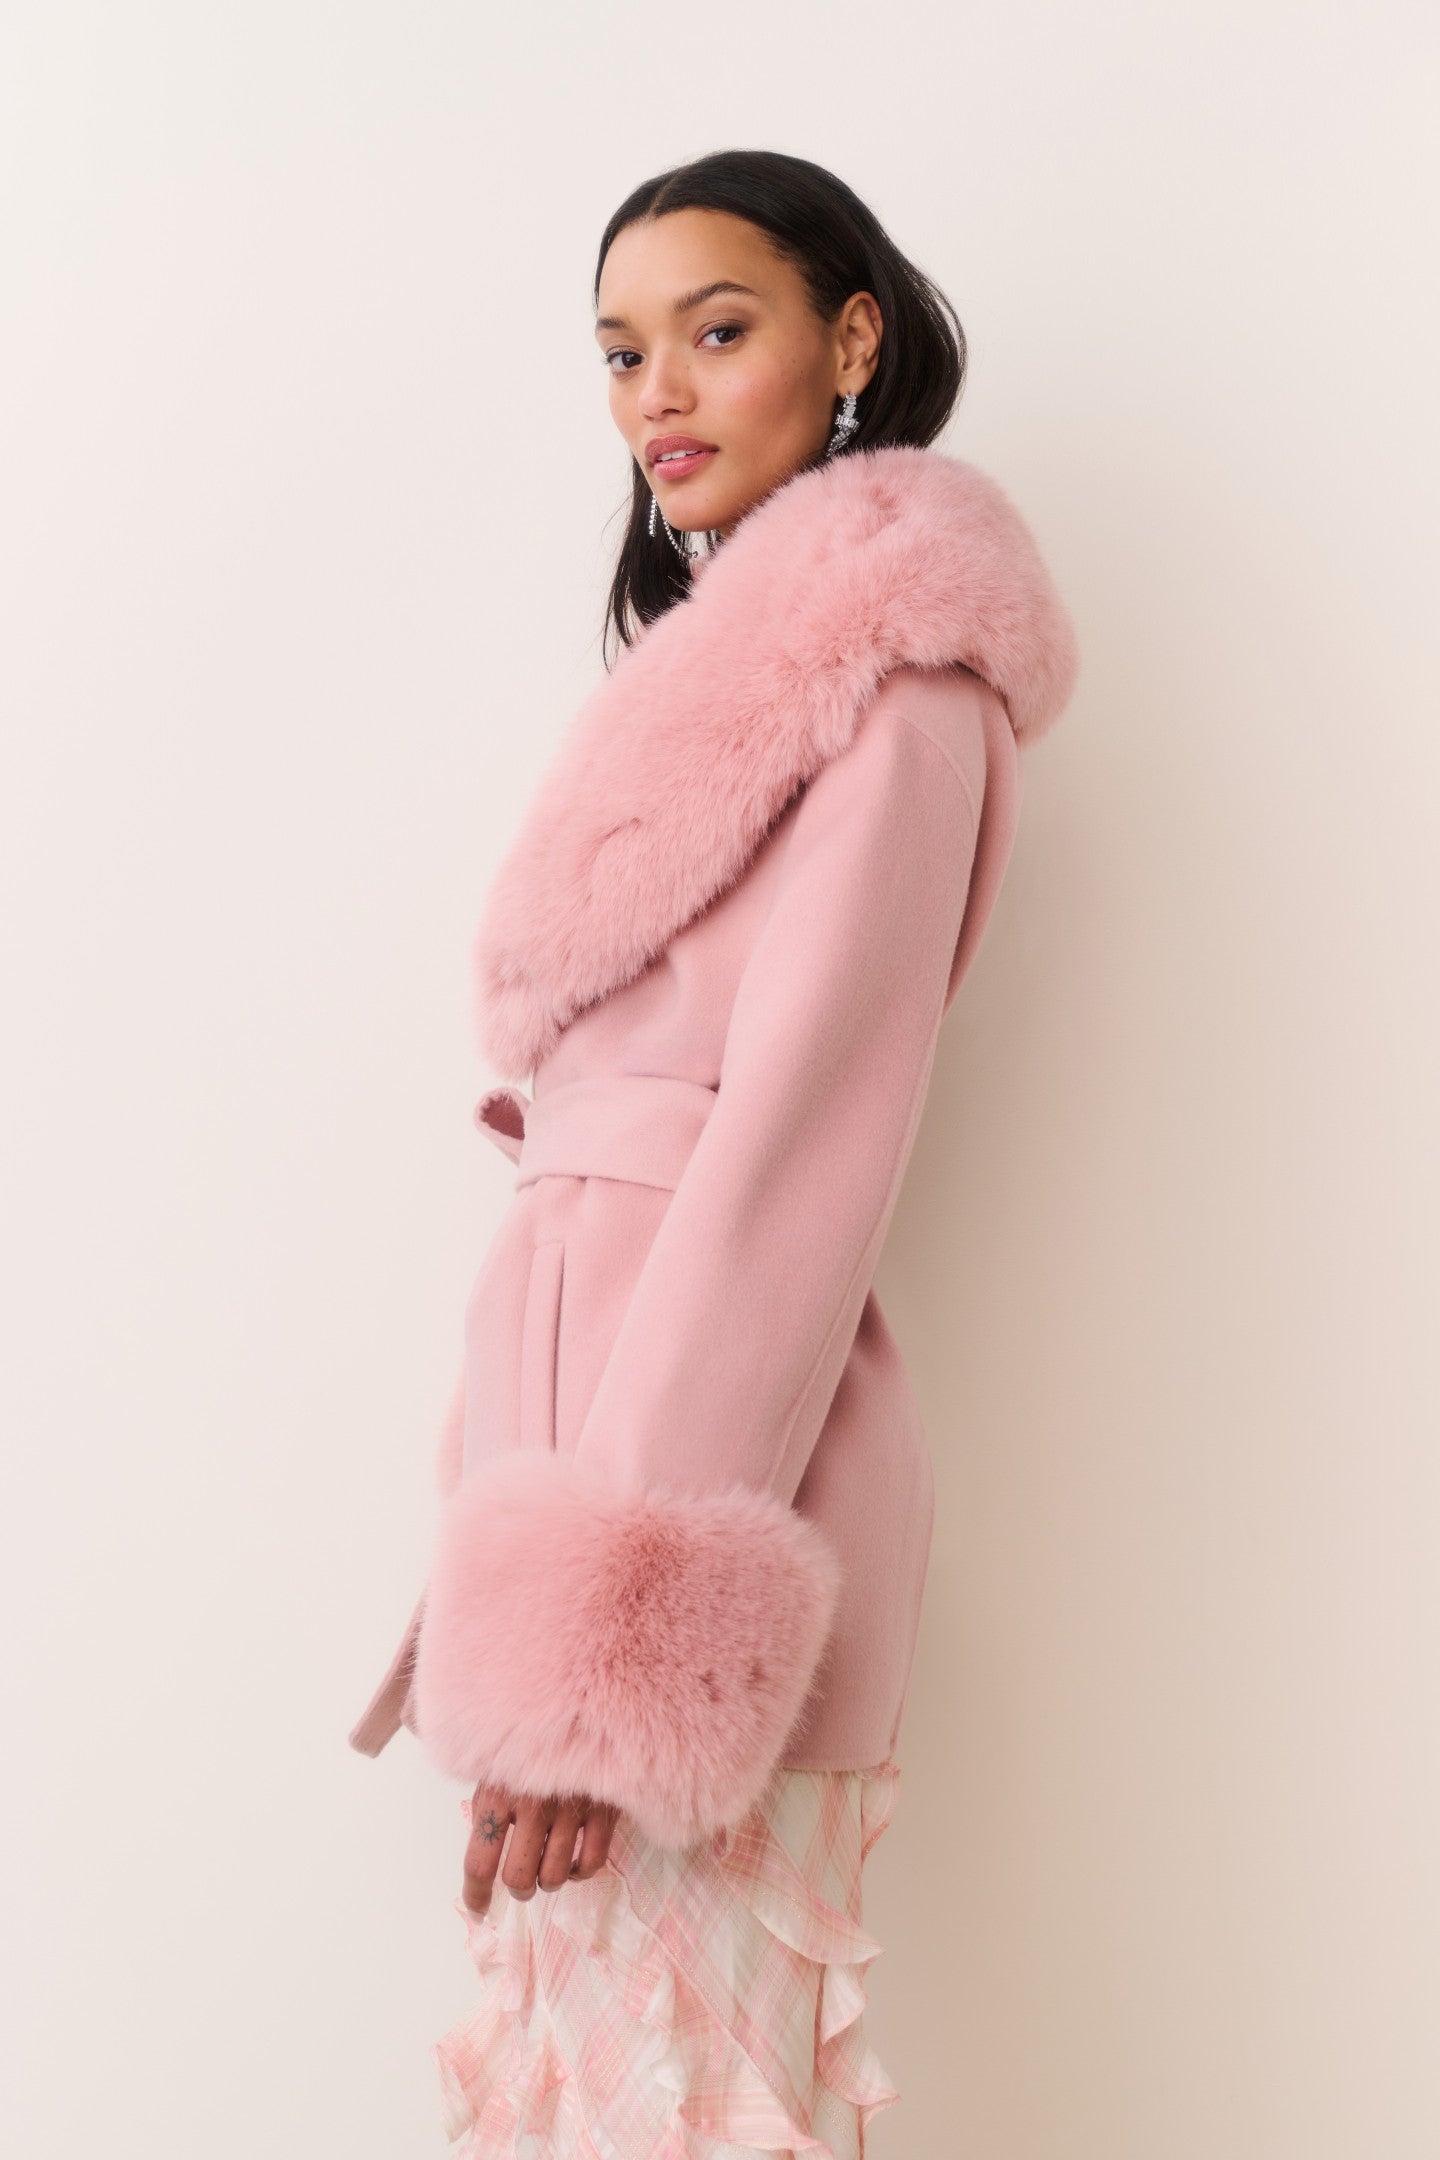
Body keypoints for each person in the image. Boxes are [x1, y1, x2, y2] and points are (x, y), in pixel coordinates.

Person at [349, 146, 1079, 2156]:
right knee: (585, 2105)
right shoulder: (713, 702)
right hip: (572, 1495)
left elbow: (798, 1176)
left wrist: (599, 1654)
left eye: (717, 330)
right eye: (619, 352)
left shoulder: (902, 701)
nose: (657, 392)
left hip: (696, 1528)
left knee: (694, 2113)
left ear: (851, 342)